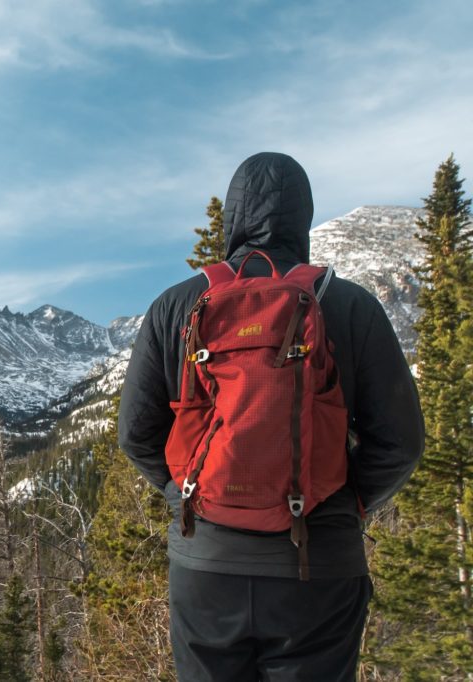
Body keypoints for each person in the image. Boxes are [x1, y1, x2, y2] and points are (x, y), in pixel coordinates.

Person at [117, 151, 424, 681]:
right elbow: (400, 443)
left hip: (206, 563)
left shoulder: (176, 306)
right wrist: (347, 505)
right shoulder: (349, 306)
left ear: (234, 216)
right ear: (302, 217)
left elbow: (136, 433)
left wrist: (184, 495)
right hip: (319, 566)